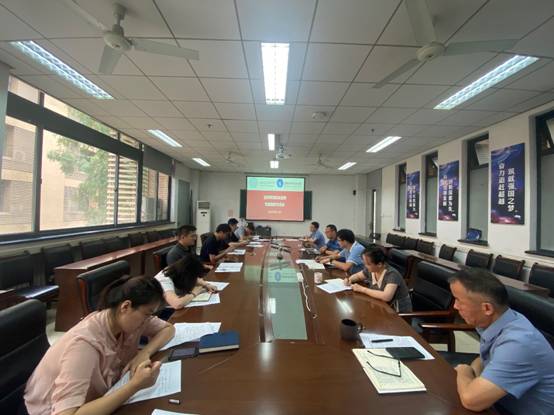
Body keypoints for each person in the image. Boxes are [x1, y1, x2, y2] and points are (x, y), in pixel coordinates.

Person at [24, 276, 175, 415]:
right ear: (125, 307)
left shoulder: (126, 320)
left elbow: (168, 329)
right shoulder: (84, 345)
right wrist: (134, 386)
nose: (148, 319)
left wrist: (144, 353)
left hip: (96, 398)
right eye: (147, 314)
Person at [449, 268, 554, 414]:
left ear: (487, 308)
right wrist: (475, 374)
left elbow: (471, 401)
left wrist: (464, 371)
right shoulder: (502, 320)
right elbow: (483, 359)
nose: (455, 306)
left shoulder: (519, 343)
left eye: (459, 300)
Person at [344, 248, 412, 312]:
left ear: (379, 264)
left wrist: (362, 289)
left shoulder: (392, 274)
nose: (365, 266)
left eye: (368, 264)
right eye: (364, 263)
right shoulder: (372, 269)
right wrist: (349, 279)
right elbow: (358, 276)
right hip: (381, 306)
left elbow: (386, 296)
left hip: (396, 312)